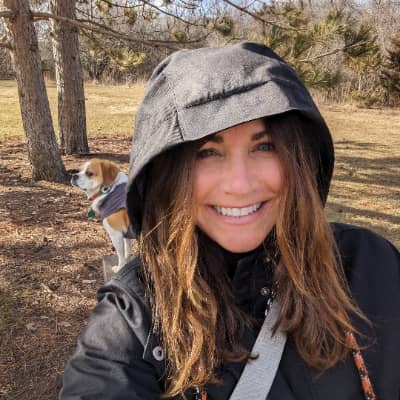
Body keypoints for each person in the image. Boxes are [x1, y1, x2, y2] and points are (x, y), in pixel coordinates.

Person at [59, 42, 400, 400]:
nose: (240, 185)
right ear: (166, 174)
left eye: (264, 146)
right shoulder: (136, 314)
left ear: (299, 158)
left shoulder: (372, 265)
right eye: (208, 152)